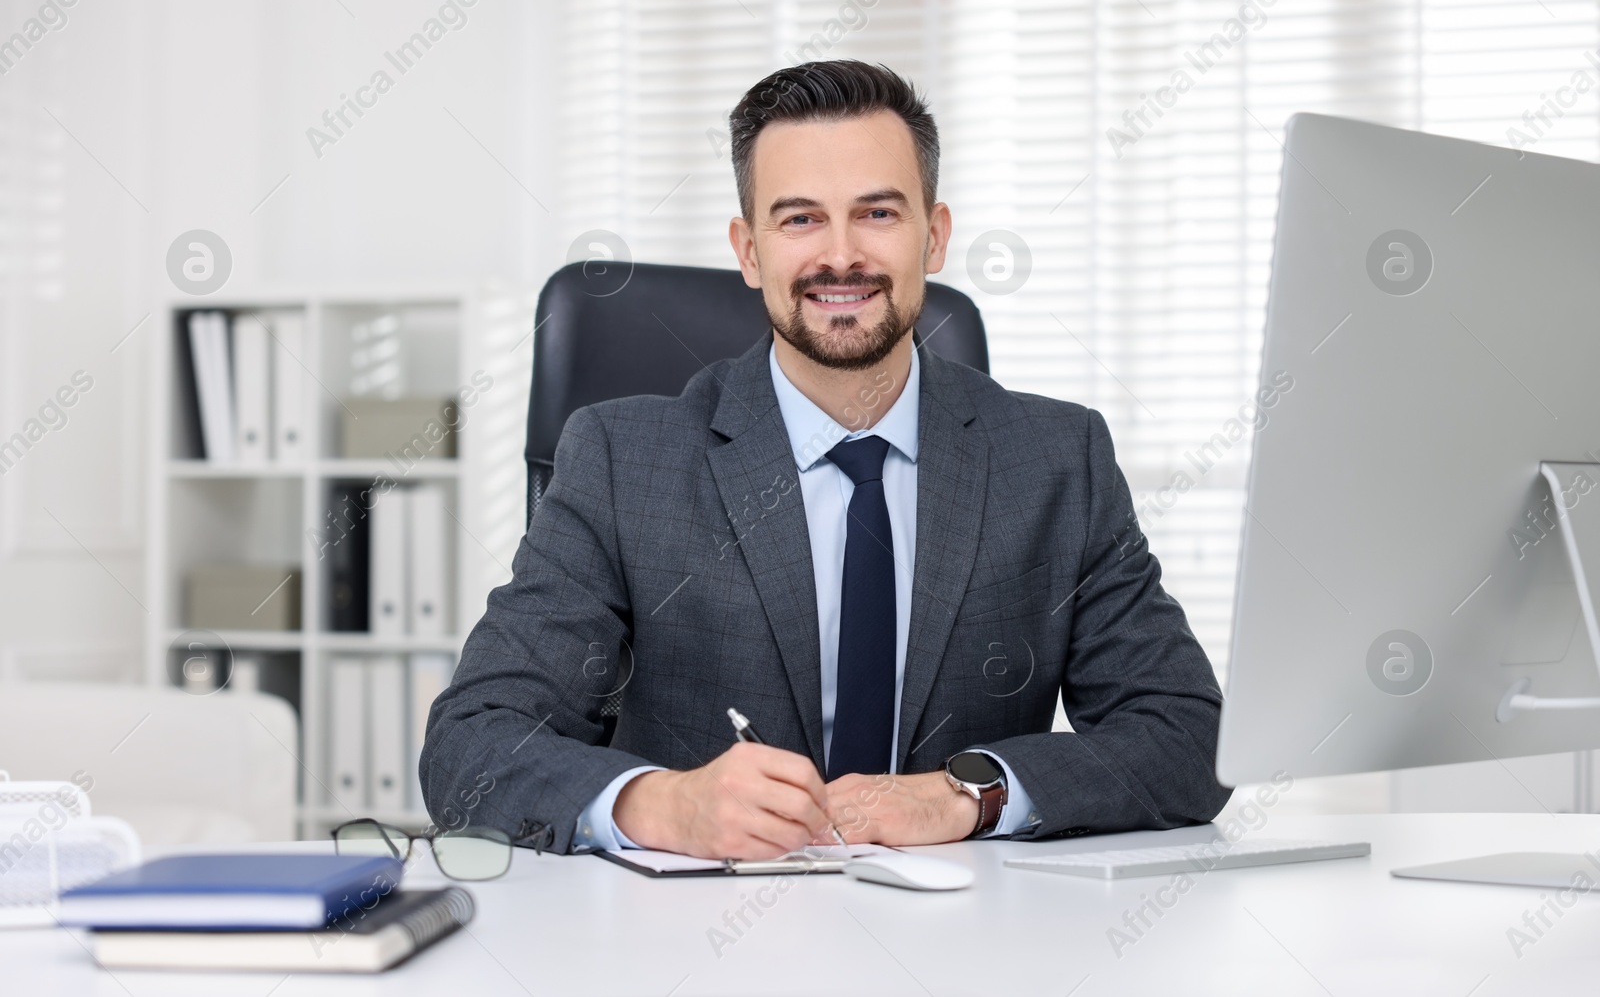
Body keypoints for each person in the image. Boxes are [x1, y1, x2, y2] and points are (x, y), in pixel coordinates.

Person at [422, 59, 1231, 859]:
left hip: (975, 946)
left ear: (935, 235)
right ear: (748, 250)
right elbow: (472, 747)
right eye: (799, 219)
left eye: (877, 213)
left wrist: (970, 794)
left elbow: (1189, 737)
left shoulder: (1058, 463)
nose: (840, 256)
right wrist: (666, 803)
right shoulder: (622, 463)